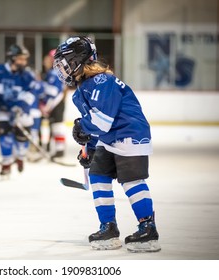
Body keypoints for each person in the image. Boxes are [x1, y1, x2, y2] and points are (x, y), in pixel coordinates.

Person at [53, 36, 161, 253]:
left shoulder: (103, 81)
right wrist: (89, 148)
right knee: (97, 175)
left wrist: (83, 127)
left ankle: (148, 228)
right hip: (110, 138)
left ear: (78, 61)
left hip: (130, 134)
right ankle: (108, 228)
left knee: (131, 181)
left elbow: (101, 121)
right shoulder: (82, 90)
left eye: (65, 64)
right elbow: (96, 127)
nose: (62, 70)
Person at [0, 44, 37, 176]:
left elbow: (31, 92)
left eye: (25, 59)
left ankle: (20, 157)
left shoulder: (27, 75)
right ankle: (6, 164)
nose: (23, 62)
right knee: (4, 138)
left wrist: (21, 106)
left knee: (22, 140)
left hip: (21, 112)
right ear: (12, 58)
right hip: (2, 111)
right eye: (20, 59)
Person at [40, 49, 67, 159]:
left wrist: (47, 106)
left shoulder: (54, 73)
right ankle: (58, 149)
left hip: (55, 104)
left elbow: (53, 92)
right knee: (56, 127)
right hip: (57, 103)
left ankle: (59, 150)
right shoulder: (58, 71)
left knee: (57, 127)